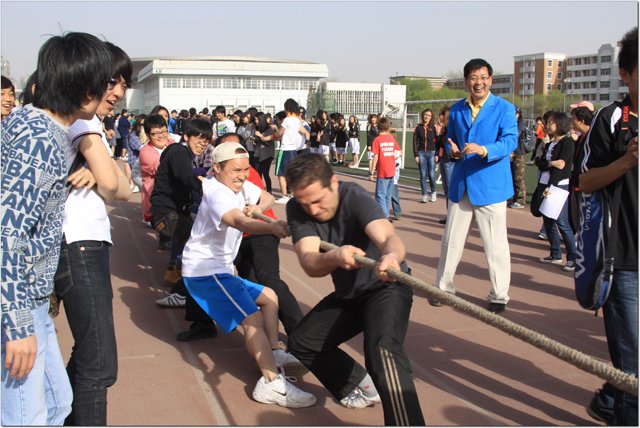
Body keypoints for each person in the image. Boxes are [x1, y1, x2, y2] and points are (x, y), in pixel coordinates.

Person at [1, 31, 112, 426]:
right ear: (87, 93)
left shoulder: (34, 124)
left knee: (57, 404)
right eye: (105, 85)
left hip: (31, 300)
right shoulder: (39, 141)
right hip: (16, 306)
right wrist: (16, 328)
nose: (111, 94)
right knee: (25, 417)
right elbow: (6, 237)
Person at [285, 153, 425, 425]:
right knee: (302, 342)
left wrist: (391, 257)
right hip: (349, 295)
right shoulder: (297, 208)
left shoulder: (354, 196)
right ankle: (357, 385)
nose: (312, 210)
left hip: (386, 288)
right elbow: (310, 262)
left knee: (383, 350)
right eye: (305, 203)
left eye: (318, 200)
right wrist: (335, 257)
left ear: (333, 183)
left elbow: (388, 237)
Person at [180, 142, 316, 408]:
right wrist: (271, 227)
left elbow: (266, 196)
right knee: (251, 318)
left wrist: (257, 207)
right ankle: (270, 383)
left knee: (269, 297)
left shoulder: (237, 186)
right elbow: (239, 221)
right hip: (204, 271)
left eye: (246, 169)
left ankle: (272, 351)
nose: (242, 176)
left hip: (220, 270)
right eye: (236, 170)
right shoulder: (217, 192)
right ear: (217, 168)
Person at [54, 42, 133, 426]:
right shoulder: (84, 123)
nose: (117, 92)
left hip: (85, 243)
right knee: (99, 363)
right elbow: (118, 186)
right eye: (112, 82)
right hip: (79, 243)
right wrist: (107, 172)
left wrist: (106, 172)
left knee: (90, 355)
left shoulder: (89, 124)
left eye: (124, 84)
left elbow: (123, 186)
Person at [579, 26, 638, 426]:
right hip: (626, 259)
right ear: (626, 74)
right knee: (633, 359)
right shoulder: (612, 119)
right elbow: (584, 182)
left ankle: (612, 396)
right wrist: (626, 161)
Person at [430, 58, 517, 313]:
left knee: (495, 245)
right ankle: (443, 288)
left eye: (483, 77)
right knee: (451, 241)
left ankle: (499, 295)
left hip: (491, 186)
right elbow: (451, 139)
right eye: (473, 78)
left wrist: (484, 150)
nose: (478, 82)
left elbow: (510, 141)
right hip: (462, 184)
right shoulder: (457, 109)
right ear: (466, 81)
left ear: (490, 80)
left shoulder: (504, 108)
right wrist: (453, 150)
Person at [150, 117, 211, 306]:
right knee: (199, 239)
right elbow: (187, 178)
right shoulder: (178, 152)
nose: (202, 143)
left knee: (190, 230)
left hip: (172, 211)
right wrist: (210, 191)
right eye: (198, 138)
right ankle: (181, 291)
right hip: (165, 214)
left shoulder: (182, 153)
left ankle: (174, 271)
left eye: (206, 140)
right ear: (186, 136)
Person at [534, 111, 576, 272]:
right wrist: (551, 163)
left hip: (557, 186)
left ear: (559, 124)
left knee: (562, 222)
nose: (547, 125)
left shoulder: (567, 143)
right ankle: (555, 254)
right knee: (548, 221)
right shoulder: (549, 143)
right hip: (544, 184)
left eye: (550, 122)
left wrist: (551, 186)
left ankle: (572, 258)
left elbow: (562, 167)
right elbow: (540, 163)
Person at [274, 99, 309, 204]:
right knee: (291, 173)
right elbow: (305, 132)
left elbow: (279, 133)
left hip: (285, 149)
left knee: (281, 174)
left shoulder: (286, 120)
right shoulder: (297, 120)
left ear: (287, 108)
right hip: (293, 150)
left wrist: (275, 130)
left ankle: (284, 195)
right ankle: (292, 194)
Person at [368, 117, 401, 219]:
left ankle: (384, 217)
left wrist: (371, 172)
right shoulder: (391, 138)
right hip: (391, 170)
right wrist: (392, 158)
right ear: (388, 127)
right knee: (387, 196)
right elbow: (399, 152)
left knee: (380, 196)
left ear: (378, 127)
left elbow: (375, 157)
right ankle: (385, 215)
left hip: (382, 171)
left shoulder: (377, 140)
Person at [413, 109, 438, 203]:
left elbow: (437, 141)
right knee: (423, 175)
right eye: (425, 115)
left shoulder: (434, 127)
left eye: (429, 115)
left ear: (431, 117)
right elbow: (415, 141)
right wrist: (416, 155)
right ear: (423, 116)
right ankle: (424, 195)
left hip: (432, 153)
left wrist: (436, 154)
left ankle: (433, 192)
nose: (427, 116)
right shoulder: (418, 127)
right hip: (421, 153)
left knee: (431, 174)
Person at [507, 107, 527, 209]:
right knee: (512, 176)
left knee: (518, 177)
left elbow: (514, 136)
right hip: (512, 153)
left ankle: (520, 200)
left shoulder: (520, 125)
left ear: (518, 114)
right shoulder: (511, 124)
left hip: (519, 154)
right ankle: (515, 198)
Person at [435, 106, 452, 224]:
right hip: (443, 160)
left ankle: (453, 216)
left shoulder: (451, 128)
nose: (439, 117)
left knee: (451, 189)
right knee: (447, 190)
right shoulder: (444, 128)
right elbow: (440, 144)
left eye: (441, 114)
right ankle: (449, 215)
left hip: (450, 161)